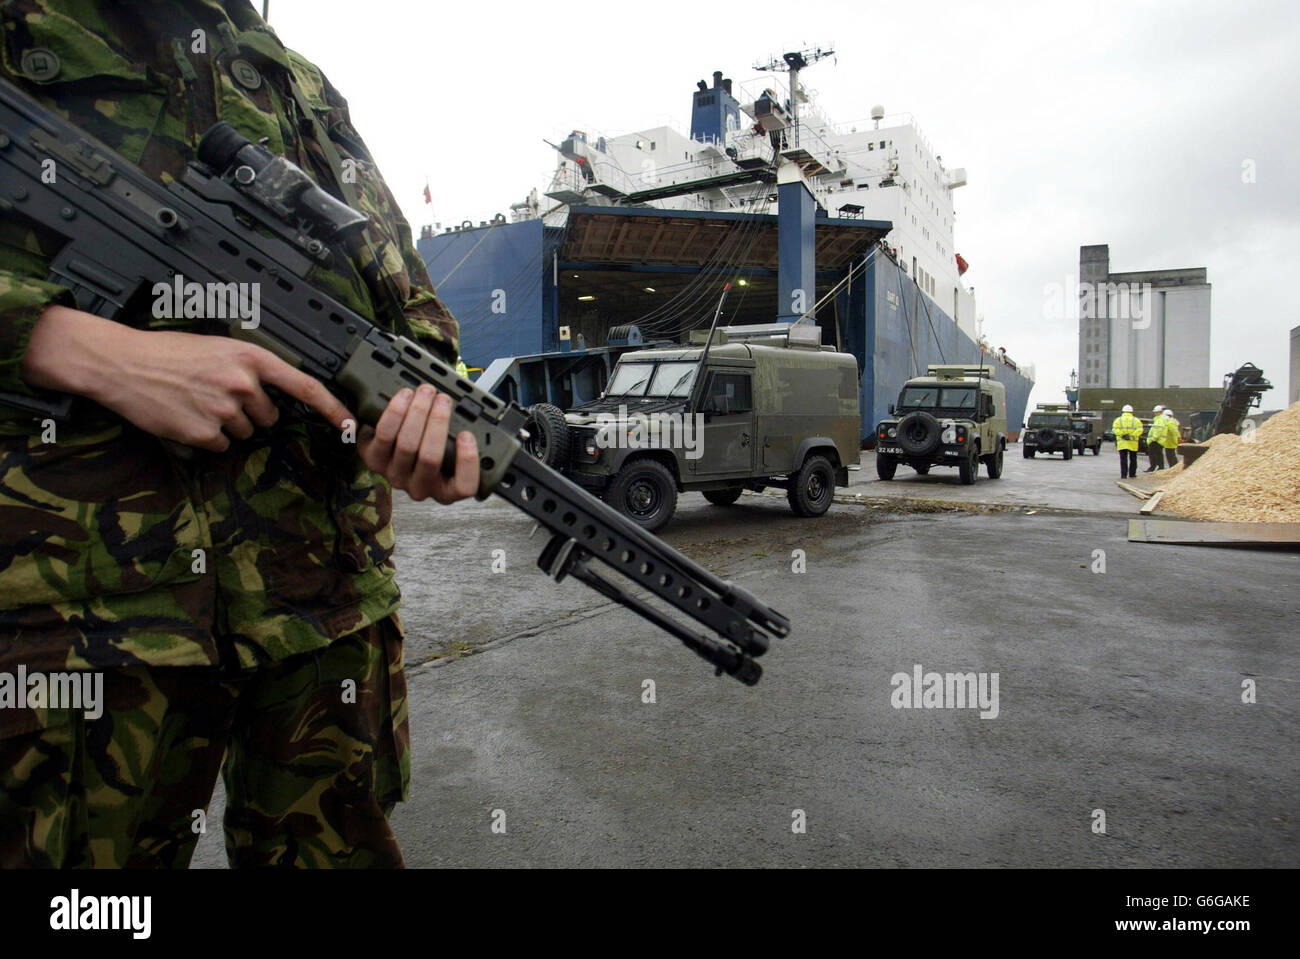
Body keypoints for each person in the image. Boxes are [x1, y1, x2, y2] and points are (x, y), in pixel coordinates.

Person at [0, 0, 478, 868]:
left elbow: (398, 288)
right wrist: (82, 348)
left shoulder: (292, 78)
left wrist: (422, 409)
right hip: (79, 608)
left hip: (318, 604)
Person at [1111, 404, 1143, 479]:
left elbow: (1115, 429)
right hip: (1133, 443)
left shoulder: (1118, 420)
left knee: (1123, 460)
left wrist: (1122, 435)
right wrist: (1132, 436)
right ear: (1132, 412)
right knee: (1133, 459)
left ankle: (1123, 475)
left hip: (1122, 443)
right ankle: (1132, 474)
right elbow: (1140, 430)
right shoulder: (1136, 420)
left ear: (1123, 411)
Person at [1144, 405, 1166, 472]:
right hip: (1159, 440)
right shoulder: (1160, 419)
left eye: (1156, 412)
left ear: (1160, 412)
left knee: (1153, 454)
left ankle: (1153, 467)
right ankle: (1160, 467)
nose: (1155, 413)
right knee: (1158, 454)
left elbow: (1158, 430)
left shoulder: (1159, 420)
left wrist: (1153, 439)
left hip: (1156, 440)